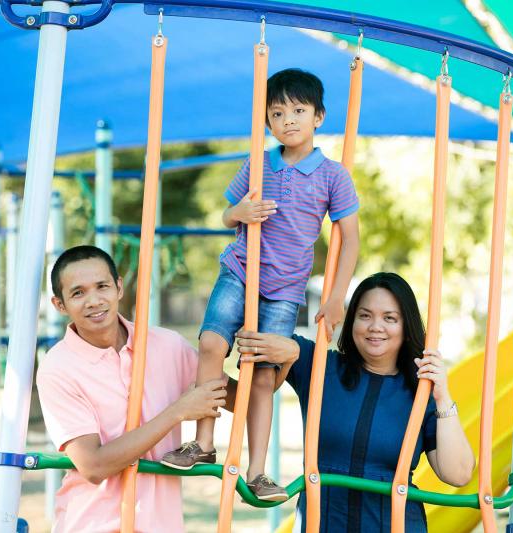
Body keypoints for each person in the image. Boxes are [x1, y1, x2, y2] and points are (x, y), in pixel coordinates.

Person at [161, 68, 360, 502]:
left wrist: (336, 297)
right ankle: (204, 443)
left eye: (299, 110)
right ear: (268, 122)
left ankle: (257, 470)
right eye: (277, 112)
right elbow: (226, 215)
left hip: (286, 290)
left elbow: (351, 240)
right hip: (240, 269)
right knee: (212, 345)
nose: (288, 120)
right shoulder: (258, 162)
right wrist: (240, 216)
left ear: (319, 117)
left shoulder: (333, 175)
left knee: (264, 376)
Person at [235, 272, 475, 532]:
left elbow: (458, 473)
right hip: (322, 524)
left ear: (406, 328)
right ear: (352, 321)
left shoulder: (420, 392)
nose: (375, 326)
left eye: (390, 318)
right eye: (365, 315)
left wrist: (442, 397)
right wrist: (291, 350)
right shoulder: (318, 366)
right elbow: (252, 328)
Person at [36, 245, 235, 532]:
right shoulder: (58, 367)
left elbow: (243, 401)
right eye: (78, 293)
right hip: (91, 525)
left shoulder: (166, 345)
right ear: (60, 304)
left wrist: (281, 355)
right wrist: (178, 411)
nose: (93, 300)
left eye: (102, 286)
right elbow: (93, 466)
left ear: (118, 287)